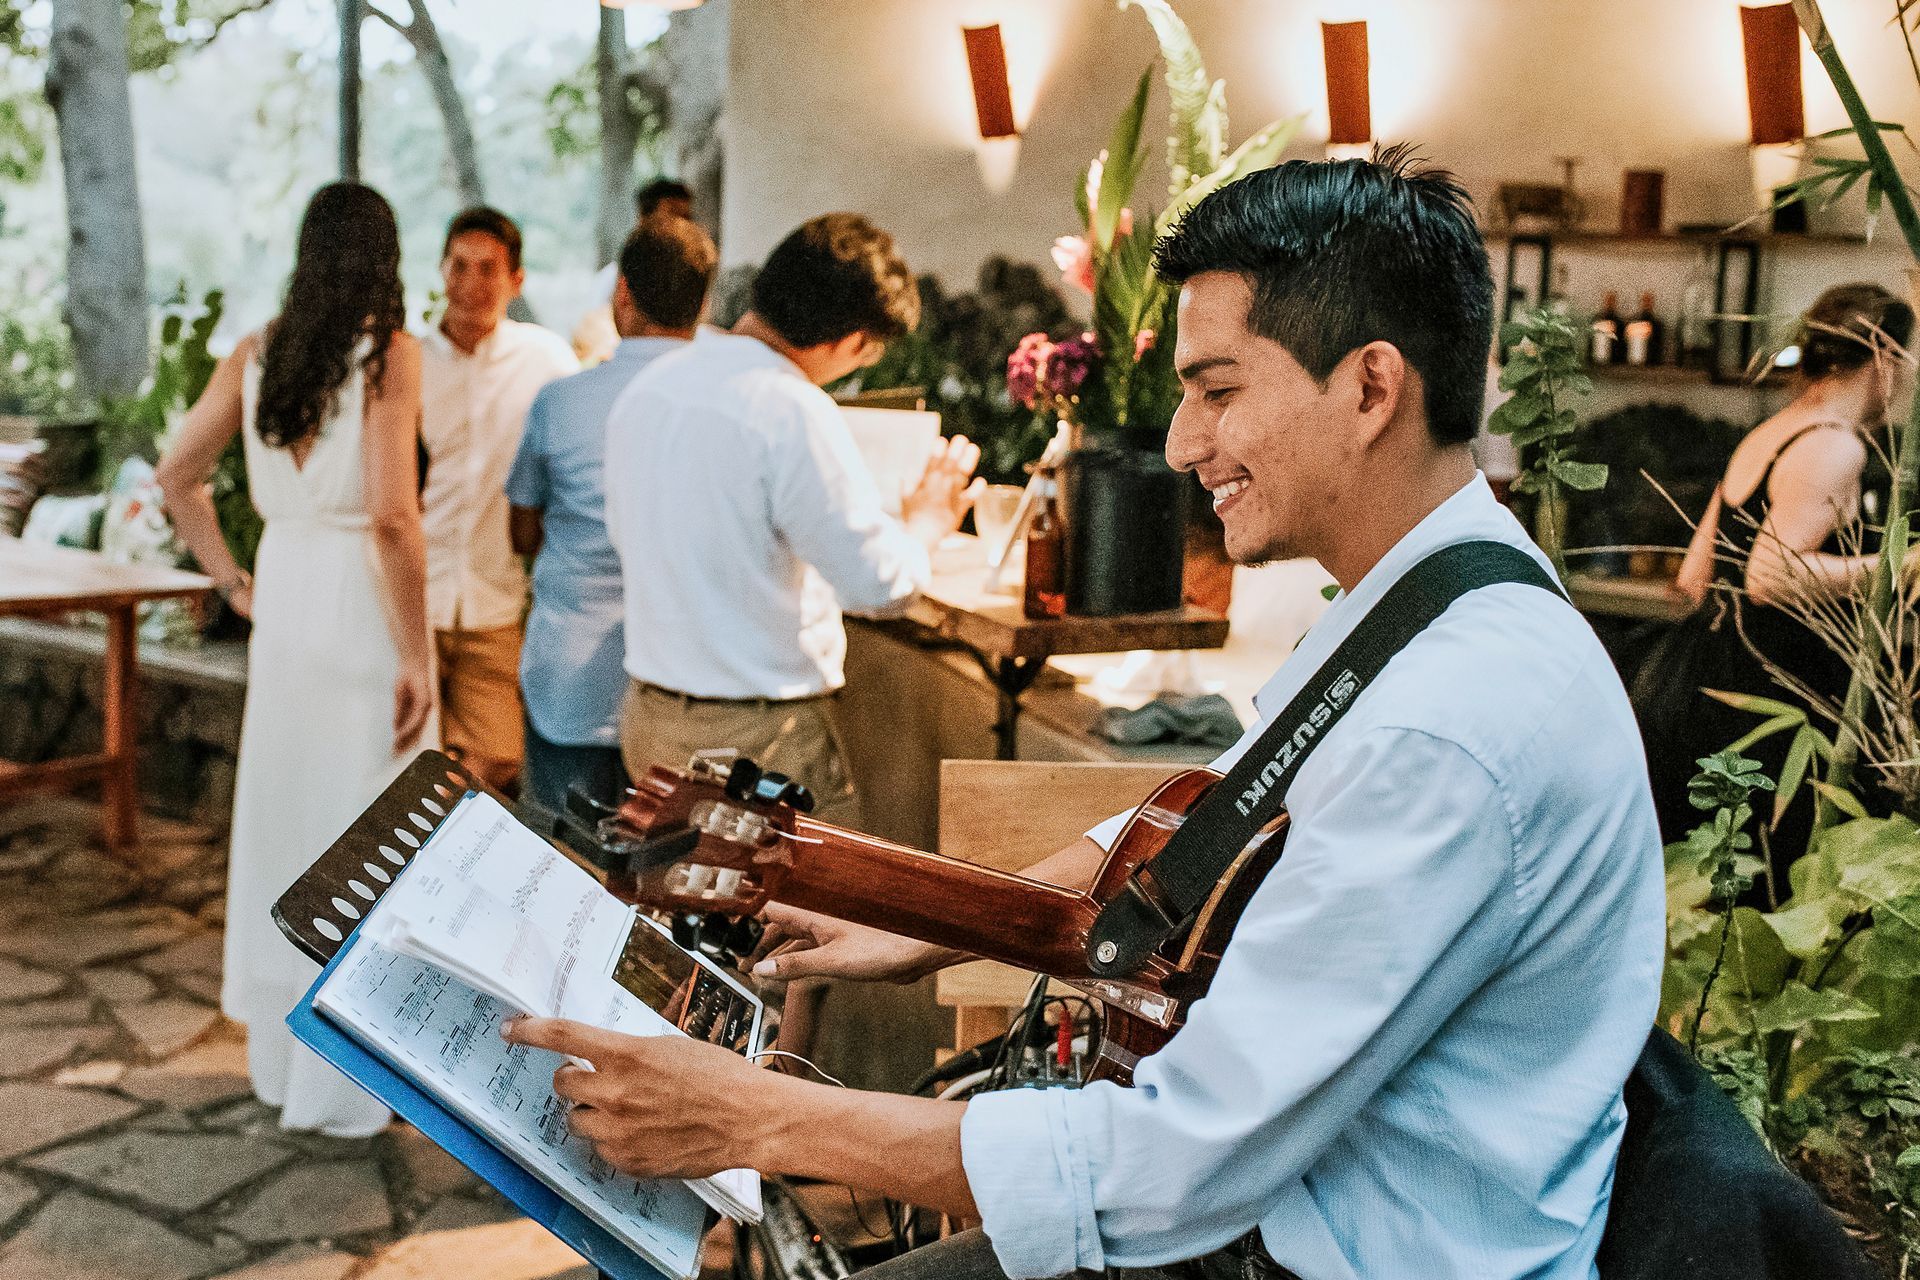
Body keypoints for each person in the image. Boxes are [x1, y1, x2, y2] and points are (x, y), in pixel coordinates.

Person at [506, 154, 1666, 1280]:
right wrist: (943, 923)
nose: (1178, 444)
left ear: (1371, 387)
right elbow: (1202, 824)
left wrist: (759, 1116)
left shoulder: (1445, 725)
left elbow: (1165, 1164)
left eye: (1218, 391)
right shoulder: (1422, 601)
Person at [157, 182, 434, 1137]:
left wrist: (235, 583)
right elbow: (395, 519)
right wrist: (418, 657)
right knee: (366, 840)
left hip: (287, 604)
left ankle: (286, 1074)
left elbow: (175, 476)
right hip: (361, 610)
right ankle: (355, 1087)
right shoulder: (391, 357)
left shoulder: (259, 352)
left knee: (289, 828)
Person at [600, 212, 981, 828]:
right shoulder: (792, 408)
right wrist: (928, 522)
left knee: (683, 908)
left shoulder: (651, 388)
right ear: (853, 341)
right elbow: (877, 584)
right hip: (754, 738)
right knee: (808, 920)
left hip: (650, 718)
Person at [1638, 283, 1916, 847]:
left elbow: (1696, 574)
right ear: (1886, 357)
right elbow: (1769, 577)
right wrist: (1901, 565)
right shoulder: (1836, 446)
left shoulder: (1772, 431)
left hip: (1708, 686)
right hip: (1775, 702)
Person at [506, 215, 719, 826]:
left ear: (620, 294)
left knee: (562, 877)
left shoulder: (561, 401)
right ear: (704, 302)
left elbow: (521, 534)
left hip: (571, 679)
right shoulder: (726, 406)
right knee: (670, 887)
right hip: (685, 687)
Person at [421, 207, 579, 793]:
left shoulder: (548, 361)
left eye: (488, 269)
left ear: (517, 280)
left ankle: (439, 853)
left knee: (501, 758)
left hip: (497, 599)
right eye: (459, 266)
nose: (470, 284)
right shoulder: (408, 362)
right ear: (440, 270)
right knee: (403, 761)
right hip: (415, 600)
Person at [573, 178, 699, 363]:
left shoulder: (694, 278)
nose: (681, 225)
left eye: (687, 218)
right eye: (672, 215)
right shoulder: (610, 281)